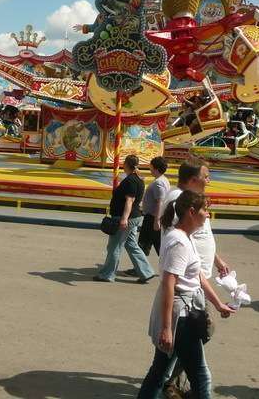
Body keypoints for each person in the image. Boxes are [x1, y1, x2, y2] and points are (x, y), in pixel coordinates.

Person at [138, 190, 236, 399]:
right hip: (181, 316)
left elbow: (199, 277)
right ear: (192, 212)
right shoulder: (180, 242)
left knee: (160, 371)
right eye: (205, 210)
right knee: (201, 375)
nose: (208, 215)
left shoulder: (185, 236)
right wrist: (166, 328)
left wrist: (218, 304)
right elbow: (168, 284)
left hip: (184, 311)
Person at [157, 159, 230, 397]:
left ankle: (171, 381)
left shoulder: (194, 203)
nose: (209, 180)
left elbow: (198, 237)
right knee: (200, 335)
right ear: (193, 179)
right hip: (188, 287)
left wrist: (217, 260)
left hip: (198, 282)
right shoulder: (178, 199)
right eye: (206, 176)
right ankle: (174, 382)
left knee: (181, 346)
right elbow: (177, 241)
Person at [93, 154, 156, 284]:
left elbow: (130, 200)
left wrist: (124, 219)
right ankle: (146, 272)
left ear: (126, 165)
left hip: (127, 217)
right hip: (135, 216)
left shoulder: (131, 180)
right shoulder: (138, 179)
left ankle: (108, 274)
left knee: (114, 246)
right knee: (131, 244)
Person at [137, 156, 170, 257]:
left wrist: (157, 221)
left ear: (155, 168)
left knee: (145, 244)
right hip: (153, 217)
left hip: (152, 218)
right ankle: (142, 268)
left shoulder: (158, 183)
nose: (149, 168)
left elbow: (159, 202)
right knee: (147, 244)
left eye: (150, 166)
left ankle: (141, 269)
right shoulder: (163, 180)